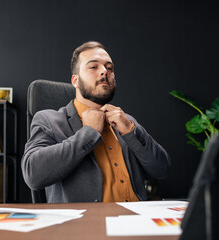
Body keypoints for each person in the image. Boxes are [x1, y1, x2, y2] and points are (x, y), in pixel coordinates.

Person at [22, 41, 170, 203]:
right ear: (75, 81)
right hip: (88, 224)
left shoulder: (126, 121)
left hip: (137, 220)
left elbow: (162, 169)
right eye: (93, 67)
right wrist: (89, 133)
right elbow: (33, 175)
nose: (104, 71)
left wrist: (130, 131)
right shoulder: (49, 120)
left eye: (110, 68)